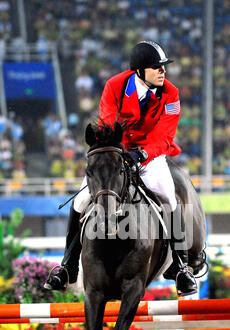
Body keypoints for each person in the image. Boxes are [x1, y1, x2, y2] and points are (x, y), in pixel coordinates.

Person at [44, 40, 202, 295]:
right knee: (81, 200)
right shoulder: (115, 86)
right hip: (117, 153)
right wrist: (118, 153)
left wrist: (142, 153)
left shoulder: (170, 93)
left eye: (163, 67)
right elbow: (107, 125)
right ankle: (67, 266)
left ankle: (182, 267)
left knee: (169, 198)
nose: (163, 72)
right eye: (157, 67)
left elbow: (164, 134)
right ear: (139, 70)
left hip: (150, 156)